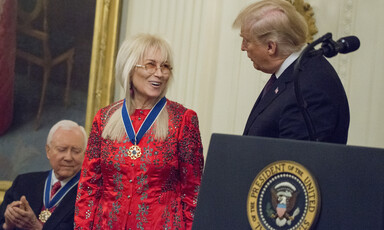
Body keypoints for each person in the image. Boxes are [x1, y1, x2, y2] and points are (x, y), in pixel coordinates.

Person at [74, 33, 204, 230]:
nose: (159, 73)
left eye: (165, 66)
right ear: (129, 68)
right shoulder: (104, 119)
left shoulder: (183, 120)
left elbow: (193, 191)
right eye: (150, 65)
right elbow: (89, 187)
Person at [232, 0, 350, 144]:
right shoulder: (294, 72)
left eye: (246, 40)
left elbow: (292, 161)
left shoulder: (310, 89)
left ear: (270, 47)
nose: (242, 48)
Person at [0, 120, 87, 230]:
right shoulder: (23, 183)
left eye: (76, 151)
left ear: (85, 154)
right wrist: (7, 225)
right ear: (48, 151)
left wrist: (37, 228)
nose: (68, 157)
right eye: (62, 149)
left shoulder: (92, 195)